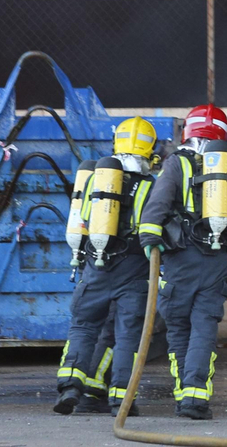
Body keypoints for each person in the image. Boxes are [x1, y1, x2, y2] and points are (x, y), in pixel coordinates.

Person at [139, 104, 227, 420]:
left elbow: (155, 209)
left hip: (178, 262)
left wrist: (149, 244)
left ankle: (183, 395)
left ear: (189, 133)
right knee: (203, 328)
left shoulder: (176, 164)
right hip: (214, 264)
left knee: (179, 329)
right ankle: (195, 398)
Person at [53, 117, 160, 415]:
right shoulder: (151, 186)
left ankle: (70, 386)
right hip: (134, 271)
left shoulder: (95, 181)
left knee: (83, 327)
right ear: (150, 150)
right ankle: (121, 401)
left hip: (96, 266)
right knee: (128, 335)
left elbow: (85, 220)